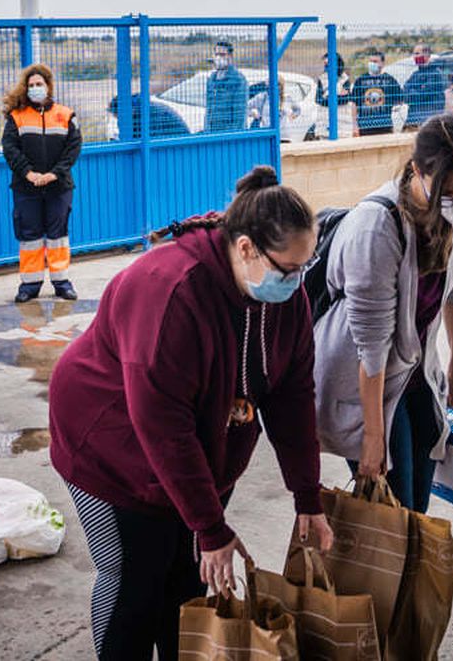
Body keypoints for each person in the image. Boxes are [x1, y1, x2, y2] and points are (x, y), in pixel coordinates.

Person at [49, 166, 333, 660]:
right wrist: (211, 526)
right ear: (246, 248)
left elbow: (292, 396)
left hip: (191, 439)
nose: (296, 282)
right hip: (109, 438)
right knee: (135, 577)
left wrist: (307, 494)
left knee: (184, 575)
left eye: (304, 268)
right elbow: (163, 427)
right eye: (289, 269)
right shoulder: (171, 289)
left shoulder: (285, 297)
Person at [313, 113, 453, 514]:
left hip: (413, 369)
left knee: (416, 504)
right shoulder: (377, 226)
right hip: (361, 374)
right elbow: (370, 344)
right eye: (448, 192)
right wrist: (372, 435)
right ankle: (383, 577)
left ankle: (407, 575)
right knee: (391, 509)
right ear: (417, 170)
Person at [2, 64, 82, 303]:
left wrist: (54, 174)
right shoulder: (16, 117)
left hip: (58, 186)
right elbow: (10, 148)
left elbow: (73, 148)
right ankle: (30, 284)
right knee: (30, 236)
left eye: (39, 84)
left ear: (48, 86)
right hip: (26, 187)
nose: (36, 88)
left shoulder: (66, 115)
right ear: (26, 89)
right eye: (31, 85)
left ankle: (62, 282)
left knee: (58, 235)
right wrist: (29, 173)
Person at [348, 49, 404, 137]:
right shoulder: (361, 80)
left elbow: (400, 100)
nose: (372, 64)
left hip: (384, 125)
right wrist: (355, 126)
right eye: (370, 61)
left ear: (382, 63)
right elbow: (354, 104)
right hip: (365, 125)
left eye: (375, 61)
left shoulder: (389, 80)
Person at [205, 40, 249, 134]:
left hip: (228, 135)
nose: (218, 58)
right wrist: (207, 131)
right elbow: (208, 109)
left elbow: (239, 114)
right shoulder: (211, 79)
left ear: (230, 56)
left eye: (222, 54)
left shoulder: (238, 80)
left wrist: (233, 137)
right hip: (212, 133)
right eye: (216, 54)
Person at [402, 43, 447, 129]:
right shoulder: (415, 74)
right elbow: (405, 90)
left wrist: (412, 92)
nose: (414, 56)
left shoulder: (435, 74)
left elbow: (425, 94)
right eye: (414, 54)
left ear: (426, 55)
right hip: (413, 120)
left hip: (429, 121)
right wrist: (416, 91)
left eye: (417, 53)